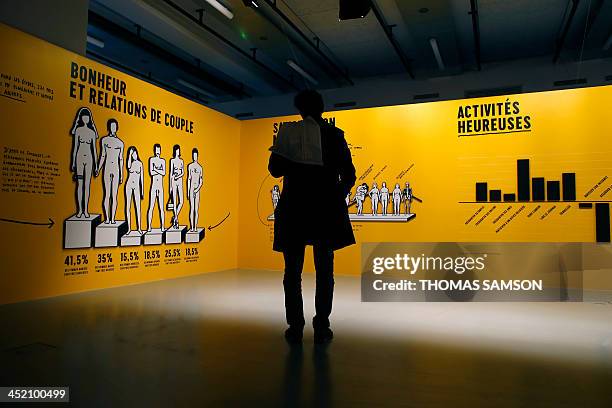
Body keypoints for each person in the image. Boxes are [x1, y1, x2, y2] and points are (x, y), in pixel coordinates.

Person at [268, 89, 356, 344]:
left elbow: (274, 170)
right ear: (322, 109)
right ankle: (322, 325)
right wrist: (335, 196)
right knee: (324, 270)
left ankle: (295, 326)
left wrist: (289, 153)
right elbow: (348, 174)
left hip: (294, 210)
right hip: (324, 212)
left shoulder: (288, 133)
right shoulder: (334, 135)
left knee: (292, 272)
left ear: (299, 110)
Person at [70, 107, 98, 218]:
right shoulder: (78, 130)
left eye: (87, 117)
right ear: (81, 118)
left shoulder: (92, 132)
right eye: (83, 116)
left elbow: (94, 150)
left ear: (89, 118)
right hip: (79, 158)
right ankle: (80, 210)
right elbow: (75, 148)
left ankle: (86, 209)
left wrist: (96, 166)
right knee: (80, 185)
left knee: (87, 185)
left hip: (89, 159)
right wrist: (73, 163)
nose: (85, 118)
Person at [96, 119, 124, 224]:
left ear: (116, 128)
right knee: (107, 194)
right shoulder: (104, 140)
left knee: (114, 195)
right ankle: (107, 218)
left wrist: (121, 174)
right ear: (109, 127)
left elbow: (121, 159)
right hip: (107, 168)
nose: (113, 128)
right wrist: (98, 168)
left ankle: (112, 218)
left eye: (114, 126)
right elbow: (102, 155)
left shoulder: (120, 143)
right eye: (111, 126)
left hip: (116, 169)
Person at [124, 146, 144, 234]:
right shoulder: (130, 163)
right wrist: (129, 155)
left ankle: (139, 227)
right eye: (132, 154)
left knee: (137, 207)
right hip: (129, 185)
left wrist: (142, 190)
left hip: (136, 186)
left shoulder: (140, 164)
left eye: (135, 153)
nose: (134, 155)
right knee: (128, 206)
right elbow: (128, 167)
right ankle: (129, 228)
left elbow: (142, 179)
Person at [146, 144, 166, 231]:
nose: (158, 152)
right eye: (157, 150)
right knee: (151, 206)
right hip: (154, 185)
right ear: (154, 150)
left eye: (159, 150)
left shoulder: (163, 161)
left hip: (160, 186)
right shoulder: (152, 159)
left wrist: (156, 170)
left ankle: (162, 226)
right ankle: (149, 226)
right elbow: (151, 172)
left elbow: (164, 172)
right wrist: (159, 171)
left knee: (161, 207)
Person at [187, 148, 203, 232]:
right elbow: (189, 179)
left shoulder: (200, 168)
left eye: (196, 156)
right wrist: (188, 190)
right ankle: (192, 227)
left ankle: (195, 227)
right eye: (193, 156)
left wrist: (197, 189)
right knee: (191, 208)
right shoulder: (190, 166)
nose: (194, 157)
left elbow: (201, 181)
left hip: (197, 189)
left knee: (196, 209)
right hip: (191, 188)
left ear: (197, 156)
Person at [169, 144, 185, 229]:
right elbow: (171, 173)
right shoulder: (172, 161)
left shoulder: (181, 161)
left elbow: (183, 172)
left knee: (181, 201)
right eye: (176, 150)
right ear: (174, 151)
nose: (177, 151)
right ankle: (176, 221)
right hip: (174, 182)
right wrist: (170, 186)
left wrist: (178, 176)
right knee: (175, 202)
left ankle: (175, 218)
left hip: (179, 181)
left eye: (178, 150)